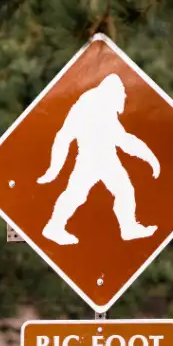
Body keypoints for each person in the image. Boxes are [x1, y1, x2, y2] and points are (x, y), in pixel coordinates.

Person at [38, 73, 161, 245]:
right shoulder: (87, 105)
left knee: (124, 191)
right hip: (89, 159)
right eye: (122, 94)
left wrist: (150, 158)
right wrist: (53, 170)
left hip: (107, 158)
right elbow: (64, 136)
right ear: (112, 92)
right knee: (76, 195)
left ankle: (129, 228)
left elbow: (123, 139)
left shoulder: (107, 107)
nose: (124, 97)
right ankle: (54, 227)